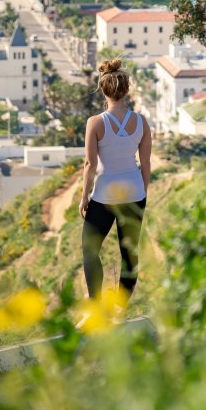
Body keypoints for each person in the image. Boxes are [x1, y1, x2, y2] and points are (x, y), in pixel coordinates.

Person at [79, 58, 151, 299]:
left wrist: (83, 198)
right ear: (126, 89)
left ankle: (96, 306)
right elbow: (146, 163)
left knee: (90, 251)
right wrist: (143, 193)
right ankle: (120, 309)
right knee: (129, 254)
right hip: (135, 192)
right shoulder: (141, 122)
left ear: (103, 89)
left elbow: (90, 165)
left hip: (104, 194)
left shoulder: (95, 123)